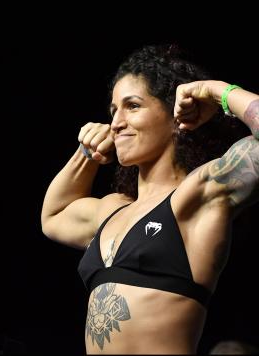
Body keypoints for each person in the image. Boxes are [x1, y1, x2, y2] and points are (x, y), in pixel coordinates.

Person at [41, 44, 259, 354]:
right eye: (113, 110)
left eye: (132, 106)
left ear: (174, 116)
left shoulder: (197, 195)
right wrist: (87, 153)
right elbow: (53, 217)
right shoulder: (112, 208)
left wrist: (216, 92)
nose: (115, 122)